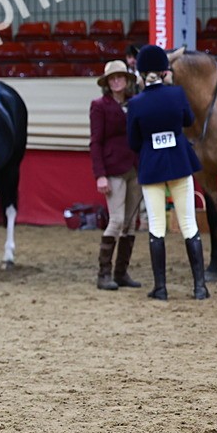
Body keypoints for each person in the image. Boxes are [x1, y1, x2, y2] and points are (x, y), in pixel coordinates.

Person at [127, 44, 208, 300]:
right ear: (164, 71)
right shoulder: (177, 94)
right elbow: (188, 121)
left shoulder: (136, 103)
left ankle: (161, 288)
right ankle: (200, 287)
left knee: (157, 227)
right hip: (179, 162)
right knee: (188, 223)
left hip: (152, 166)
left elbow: (133, 141)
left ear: (141, 73)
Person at [90, 60, 143, 290]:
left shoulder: (136, 103)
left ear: (127, 79)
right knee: (117, 220)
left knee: (131, 222)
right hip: (112, 169)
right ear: (107, 83)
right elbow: (95, 142)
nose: (116, 81)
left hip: (135, 167)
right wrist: (99, 175)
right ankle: (104, 274)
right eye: (112, 78)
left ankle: (121, 273)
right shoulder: (99, 105)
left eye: (120, 77)